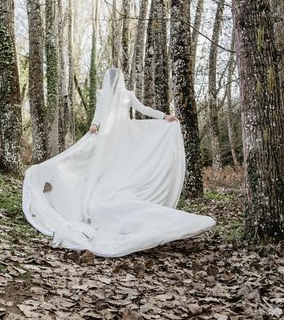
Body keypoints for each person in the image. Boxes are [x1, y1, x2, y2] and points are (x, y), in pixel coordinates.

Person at [22, 67, 216, 257]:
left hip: (122, 137)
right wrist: (94, 126)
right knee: (97, 167)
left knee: (120, 167)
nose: (113, 82)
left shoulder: (127, 95)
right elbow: (99, 112)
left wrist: (164, 116)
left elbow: (142, 108)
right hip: (106, 137)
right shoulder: (102, 94)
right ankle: (90, 200)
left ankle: (115, 194)